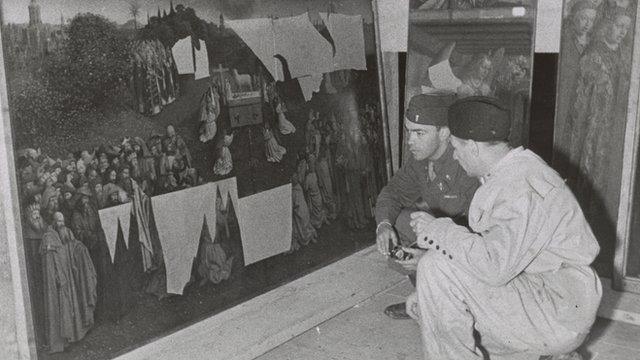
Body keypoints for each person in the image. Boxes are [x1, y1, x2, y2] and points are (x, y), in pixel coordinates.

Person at [407, 96, 602, 360]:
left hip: (557, 310)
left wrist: (439, 231)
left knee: (435, 270)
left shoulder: (521, 185)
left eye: (456, 147)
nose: (454, 154)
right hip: (545, 295)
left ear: (473, 147)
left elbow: (493, 265)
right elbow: (494, 248)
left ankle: (548, 352)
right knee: (433, 295)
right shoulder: (511, 172)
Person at [375, 93, 478, 319]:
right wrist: (383, 225)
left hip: (469, 252)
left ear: (444, 133)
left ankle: (459, 307)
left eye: (419, 133)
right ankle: (425, 297)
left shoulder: (467, 165)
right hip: (445, 240)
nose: (410, 140)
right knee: (400, 221)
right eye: (408, 131)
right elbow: (392, 192)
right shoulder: (420, 159)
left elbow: (478, 242)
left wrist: (429, 256)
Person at [41, 212, 97, 353]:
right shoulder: (49, 238)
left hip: (71, 278)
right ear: (53, 222)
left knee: (74, 306)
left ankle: (76, 334)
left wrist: (81, 248)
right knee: (63, 308)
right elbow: (49, 264)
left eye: (63, 221)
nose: (62, 224)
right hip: (60, 281)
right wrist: (58, 277)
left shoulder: (65, 233)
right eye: (59, 221)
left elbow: (73, 245)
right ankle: (65, 340)